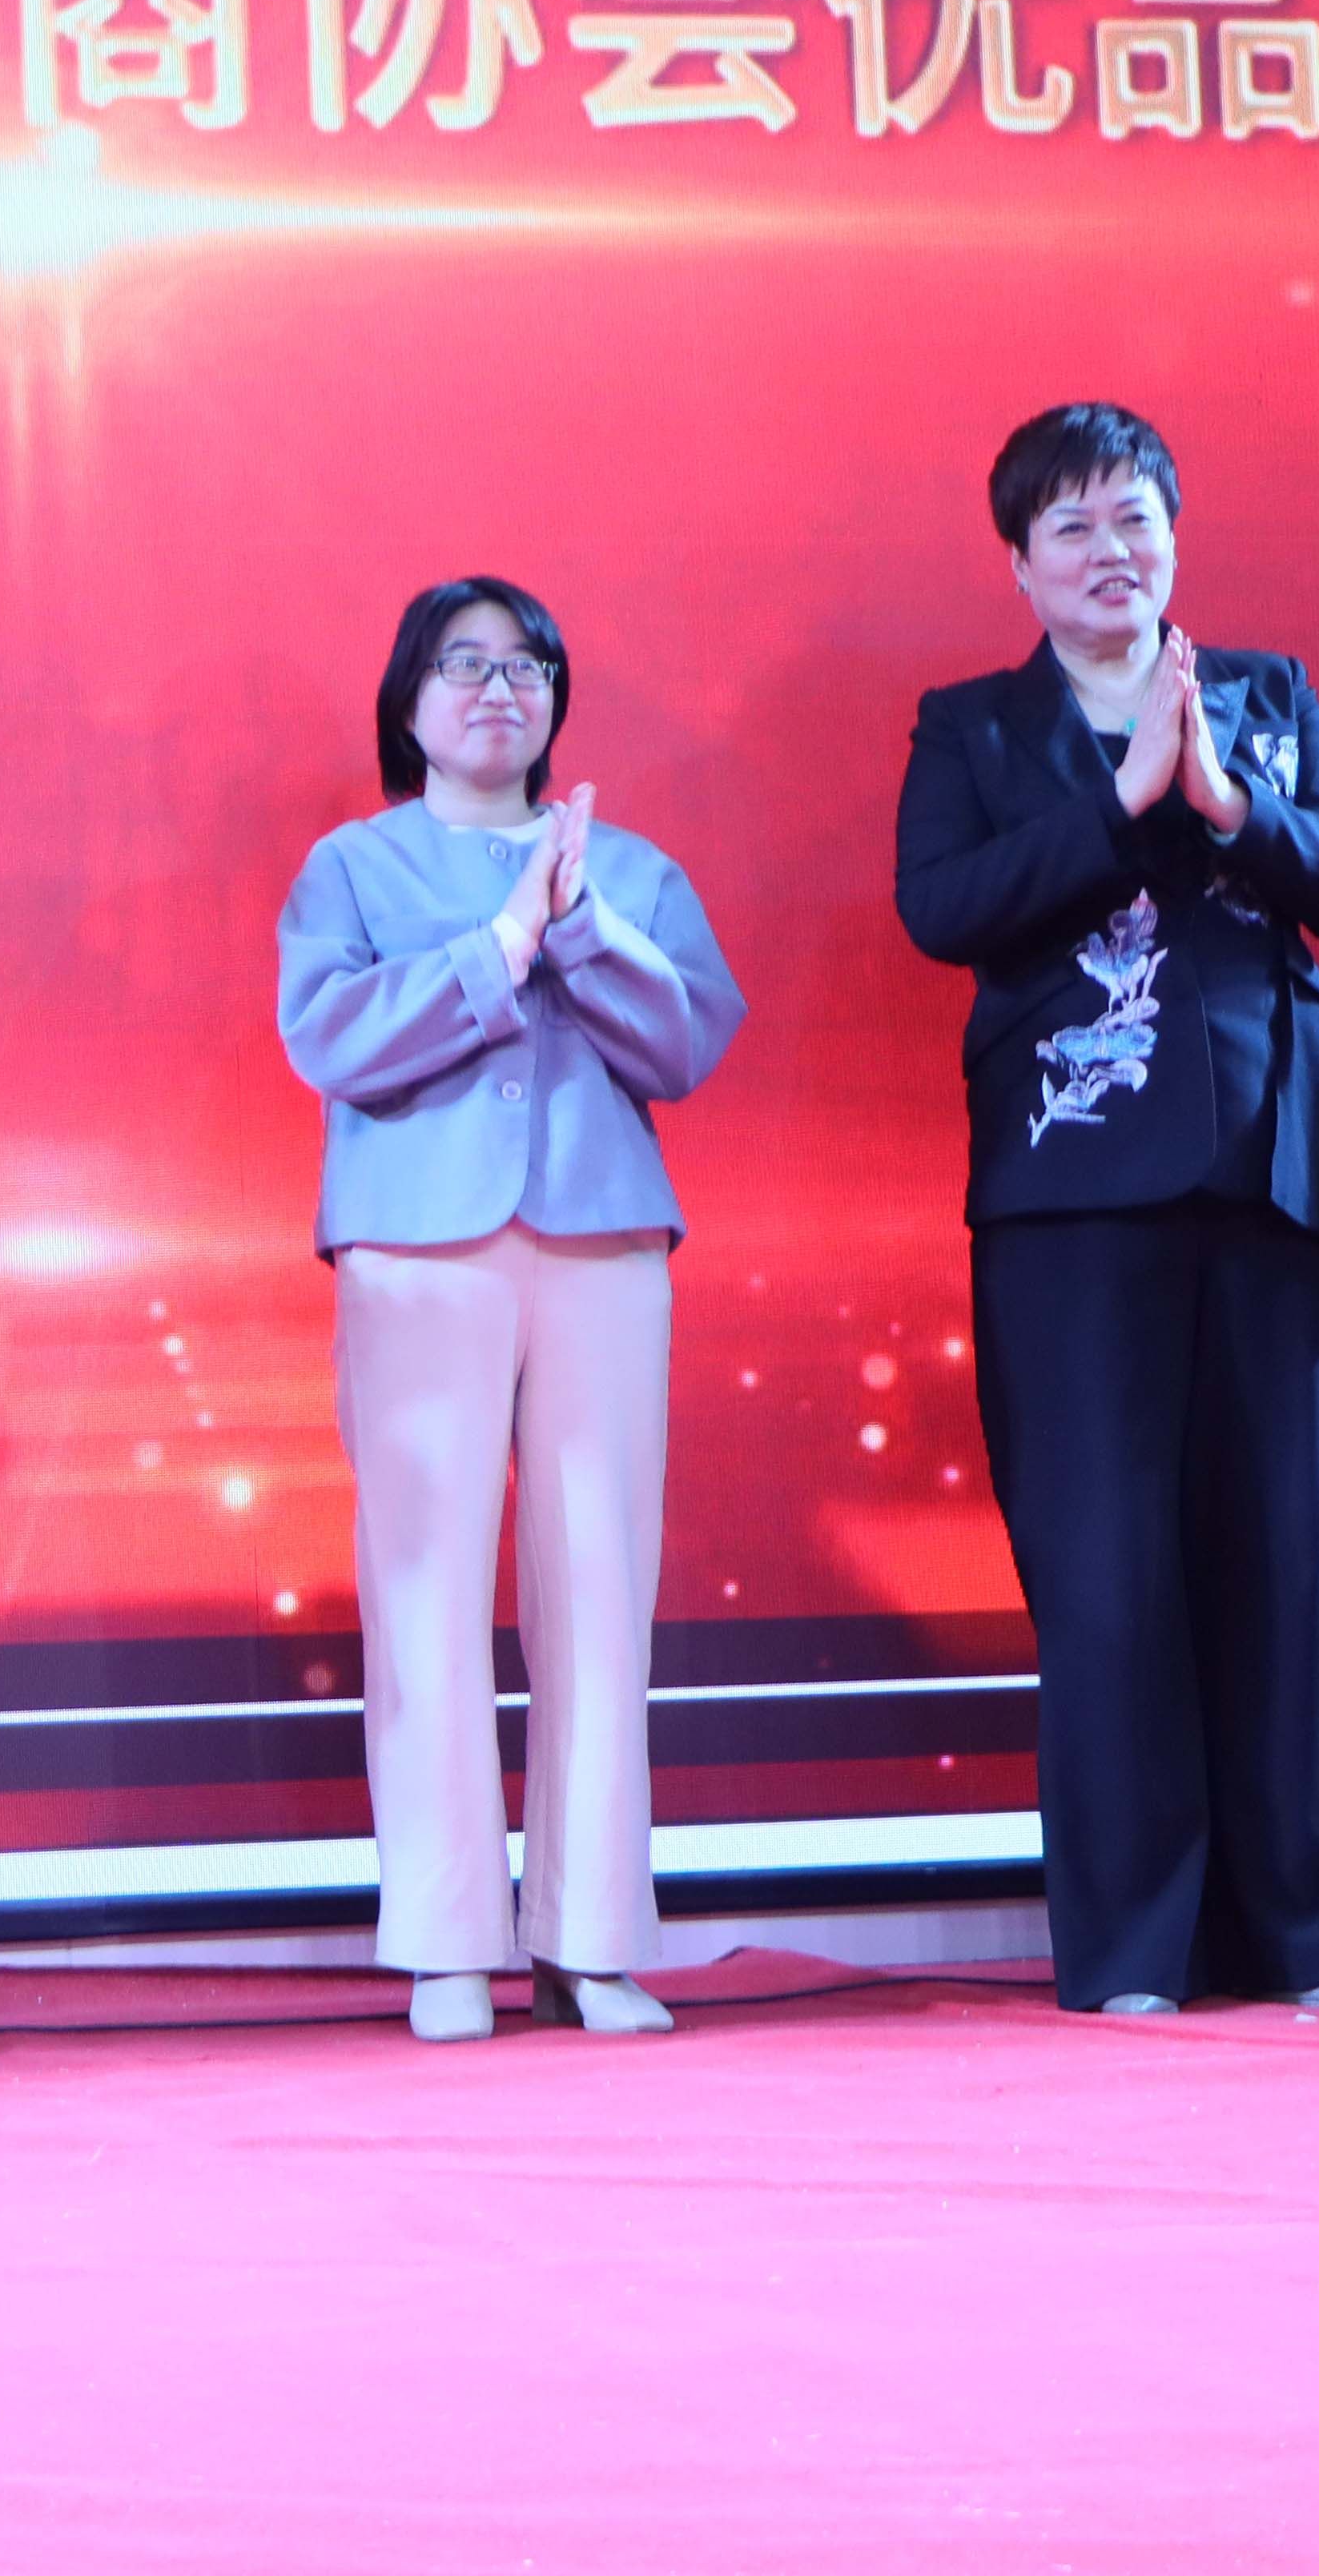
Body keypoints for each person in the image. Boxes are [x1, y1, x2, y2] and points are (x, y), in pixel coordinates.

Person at [893, 403, 1319, 2015]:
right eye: (1071, 527)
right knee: (1107, 1572)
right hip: (1070, 1196)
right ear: (1019, 564)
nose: (1109, 551)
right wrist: (1120, 800)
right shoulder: (972, 727)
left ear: (1174, 537)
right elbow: (942, 908)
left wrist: (1227, 802)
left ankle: (1304, 1937)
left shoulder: (1264, 695)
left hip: (1273, 1174)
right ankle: (1136, 1946)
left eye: (1135, 519)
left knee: (1284, 1563)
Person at [279, 579, 742, 2044]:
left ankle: (590, 1940)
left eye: (526, 664)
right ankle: (444, 1941)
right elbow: (330, 1036)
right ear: (408, 701)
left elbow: (686, 1042)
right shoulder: (351, 866)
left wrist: (578, 924)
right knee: (423, 1588)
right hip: (419, 1247)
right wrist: (496, 946)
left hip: (601, 1242)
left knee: (601, 1587)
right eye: (464, 665)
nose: (499, 688)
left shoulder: (631, 870)